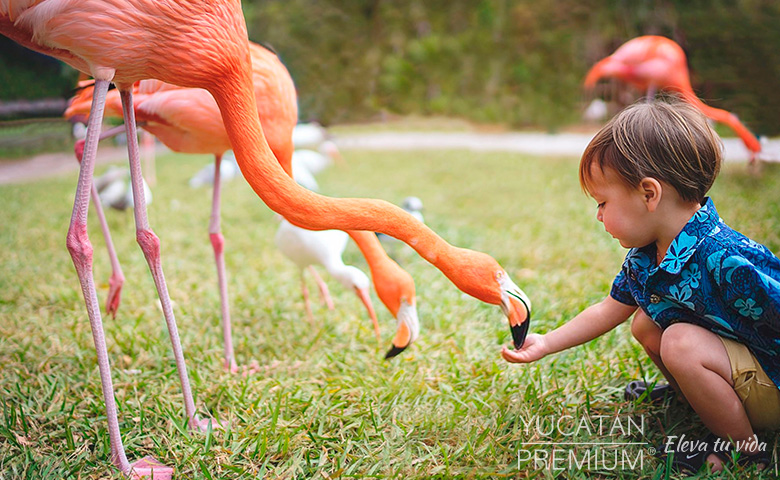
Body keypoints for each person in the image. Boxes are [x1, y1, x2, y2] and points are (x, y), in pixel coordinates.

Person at [502, 99, 780, 473]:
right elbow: (607, 310)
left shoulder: (725, 257)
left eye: (603, 202)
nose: (598, 215)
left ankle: (747, 451)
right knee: (646, 323)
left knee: (680, 342)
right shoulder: (646, 258)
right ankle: (700, 399)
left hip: (771, 381)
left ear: (649, 194)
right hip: (745, 374)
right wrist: (546, 343)